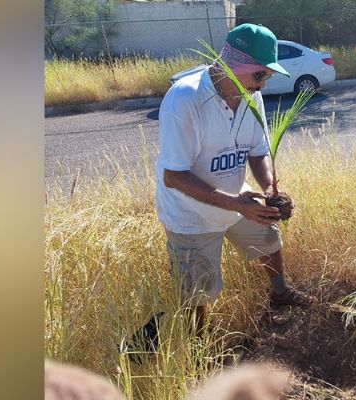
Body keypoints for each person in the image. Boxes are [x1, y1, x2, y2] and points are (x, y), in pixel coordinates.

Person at [132, 23, 315, 352]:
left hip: (236, 200)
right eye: (260, 74)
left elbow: (258, 151)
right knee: (196, 291)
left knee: (269, 239)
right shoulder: (185, 99)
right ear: (235, 64)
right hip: (191, 214)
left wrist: (270, 187)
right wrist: (236, 204)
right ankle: (199, 349)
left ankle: (280, 294)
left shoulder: (250, 96)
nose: (264, 83)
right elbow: (174, 176)